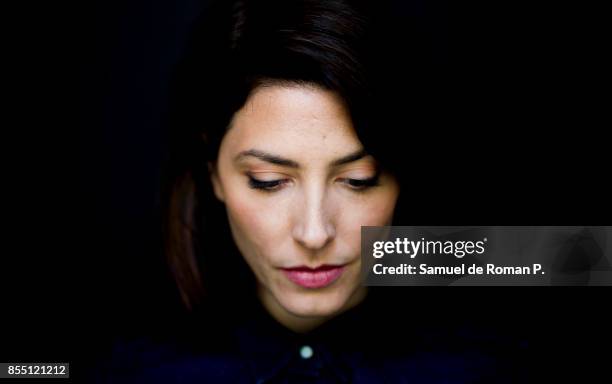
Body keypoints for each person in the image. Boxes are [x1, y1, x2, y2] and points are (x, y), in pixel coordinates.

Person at [90, 0, 529, 382]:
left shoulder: (496, 355)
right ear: (214, 173)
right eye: (269, 181)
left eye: (359, 180)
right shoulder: (126, 364)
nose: (315, 233)